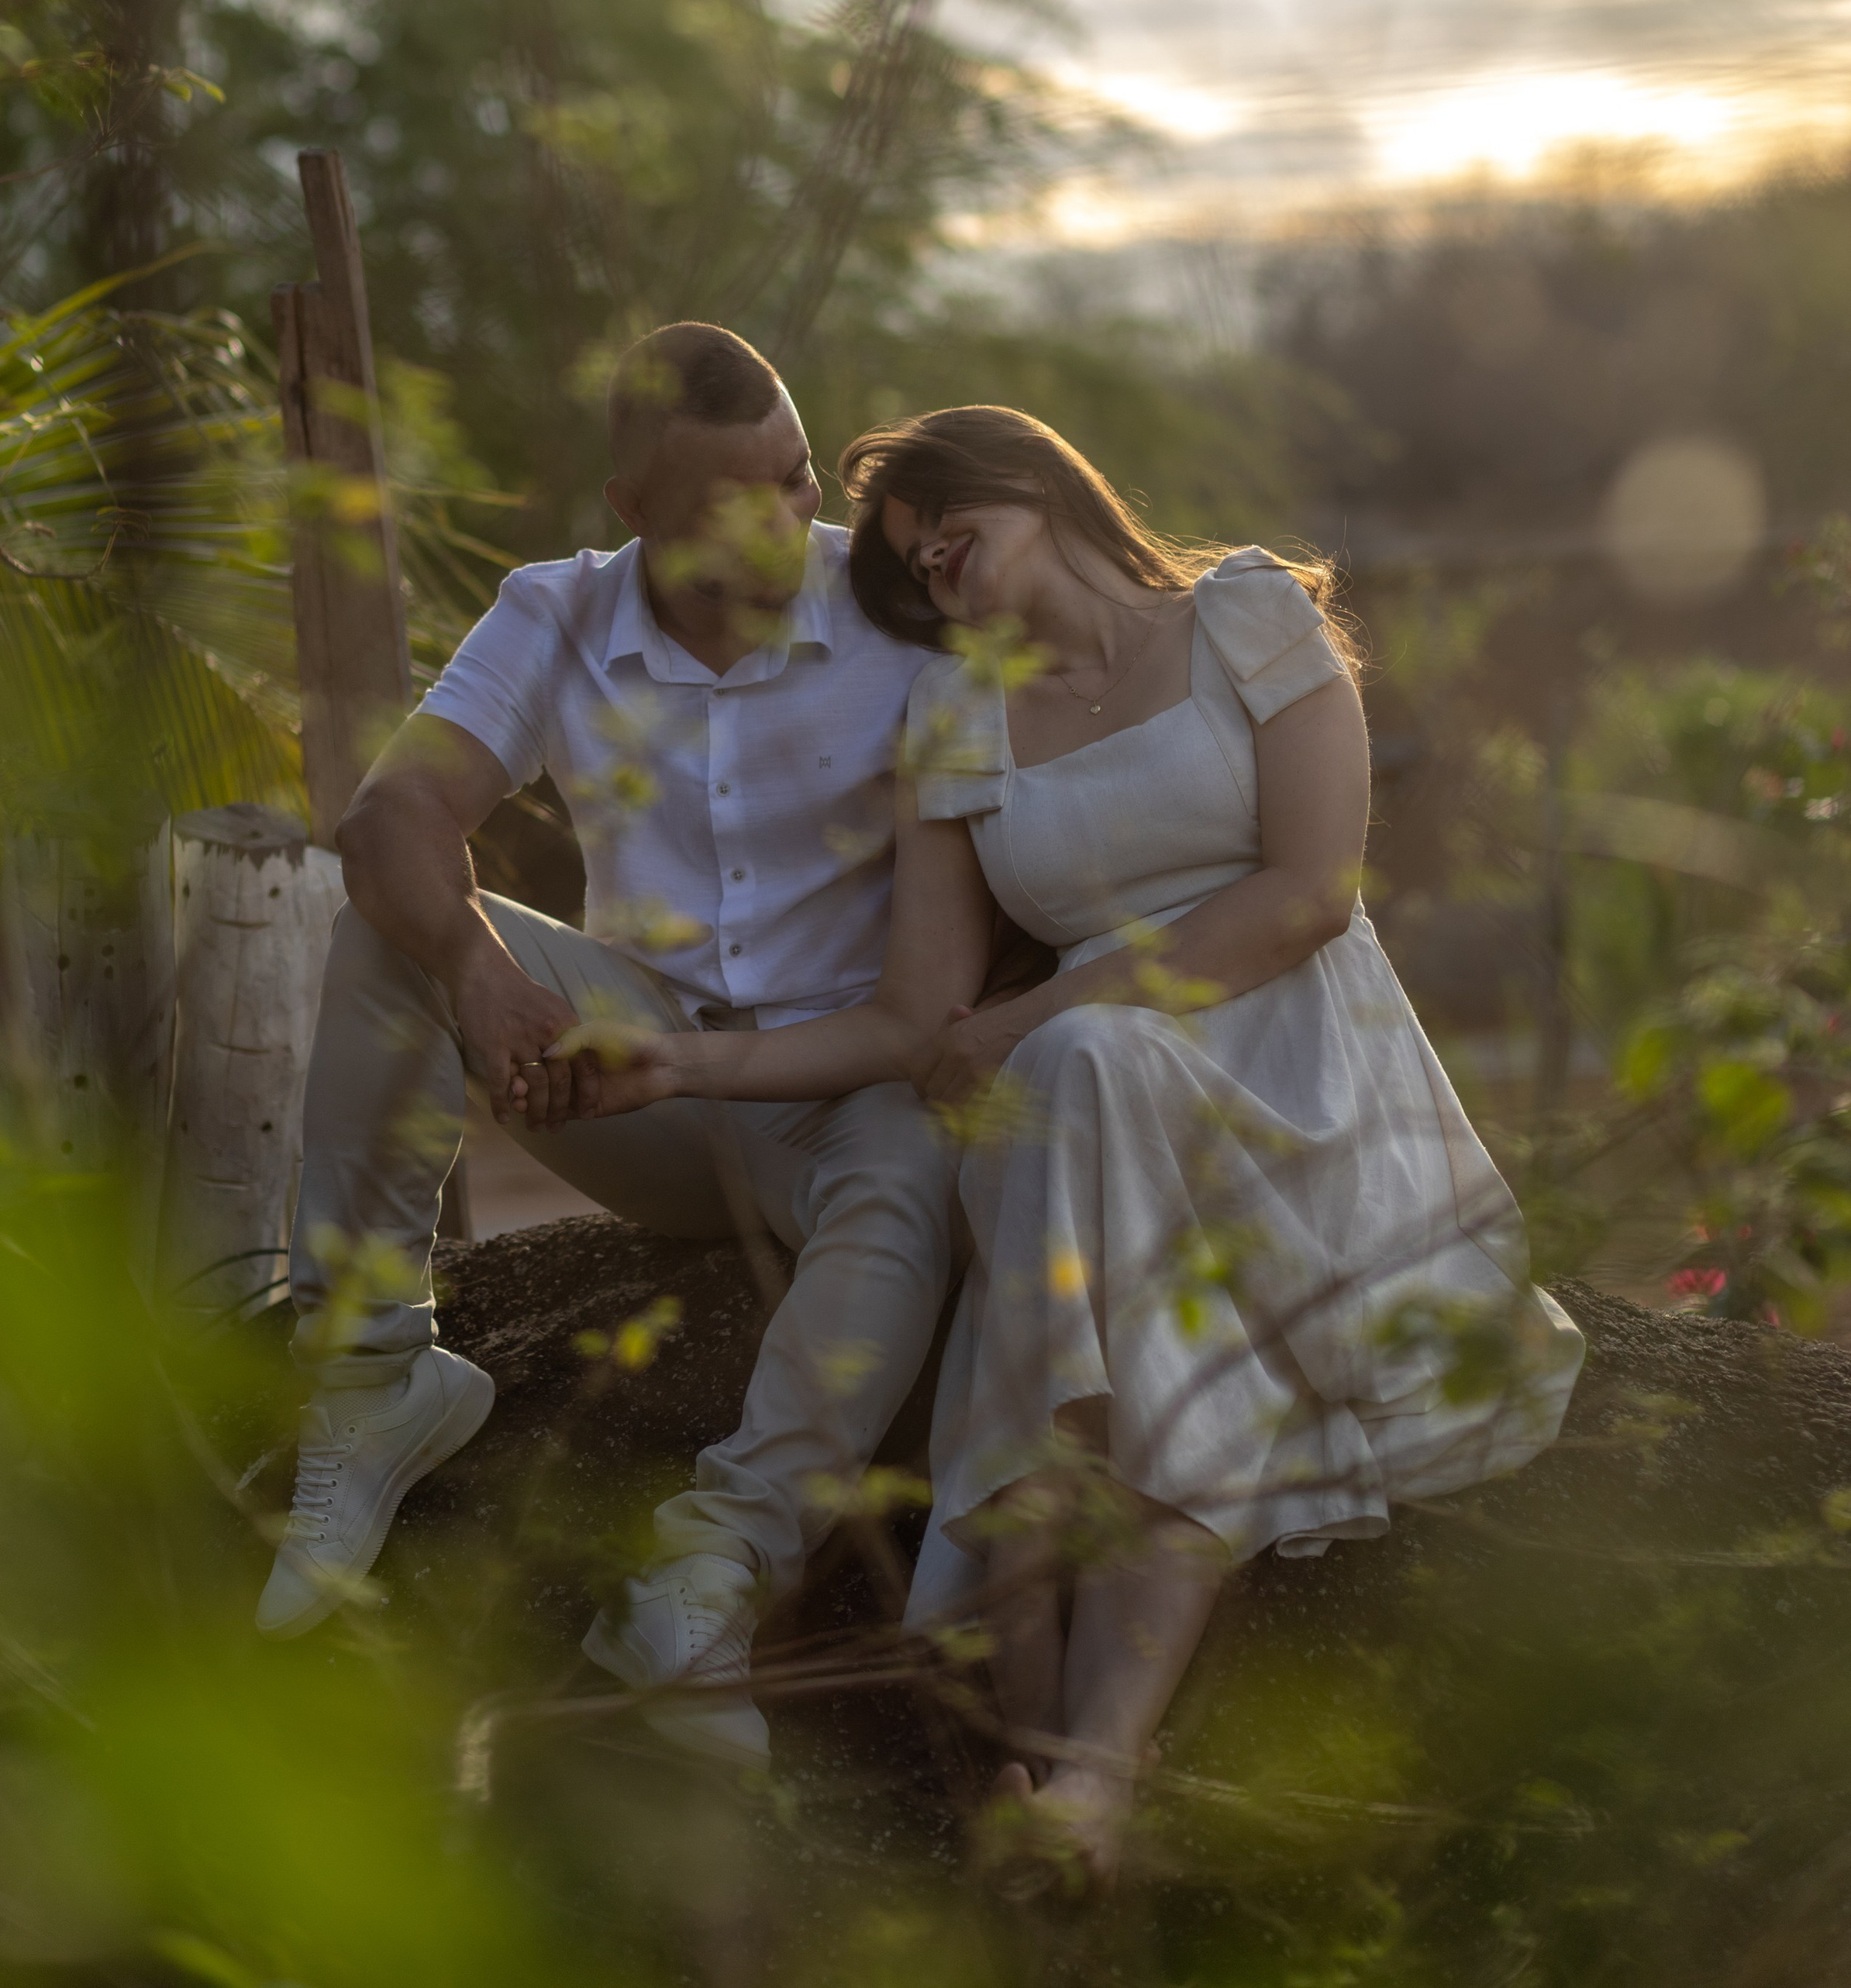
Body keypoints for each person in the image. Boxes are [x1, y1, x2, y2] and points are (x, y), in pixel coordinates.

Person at [573, 405, 1584, 1883]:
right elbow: (916, 1014)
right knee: (1083, 1082)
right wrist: (682, 1062)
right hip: (1083, 1126)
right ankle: (1084, 1773)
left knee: (1085, 1057)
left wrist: (1053, 1007)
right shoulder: (955, 716)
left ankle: (1042, 1635)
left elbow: (1311, 891)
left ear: (1036, 484)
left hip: (1301, 1073)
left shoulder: (1246, 614)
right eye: (914, 571)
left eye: (948, 537)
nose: (933, 575)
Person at [260, 322, 962, 1772]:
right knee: (384, 926)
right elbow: (389, 819)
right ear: (635, 512)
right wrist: (483, 970)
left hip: (846, 1088)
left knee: (908, 1161)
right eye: (734, 502)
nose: (784, 524)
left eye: (797, 477)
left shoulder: (900, 620)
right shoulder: (558, 609)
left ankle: (706, 1579)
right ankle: (378, 1377)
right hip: (627, 1076)